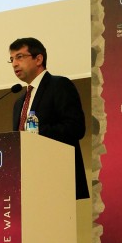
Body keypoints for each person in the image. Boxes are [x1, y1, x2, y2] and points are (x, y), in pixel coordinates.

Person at [8, 37, 90, 199]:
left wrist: (36, 134)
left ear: (39, 59)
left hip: (58, 179)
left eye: (20, 57)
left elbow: (76, 127)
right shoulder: (19, 102)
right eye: (11, 59)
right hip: (29, 183)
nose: (14, 64)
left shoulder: (59, 85)